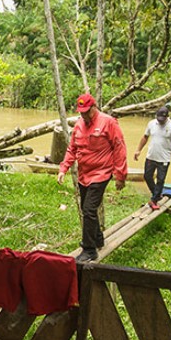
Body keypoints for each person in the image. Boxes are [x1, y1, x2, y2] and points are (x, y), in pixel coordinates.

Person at [56, 93, 128, 262]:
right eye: (81, 112)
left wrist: (120, 175)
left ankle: (89, 249)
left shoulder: (108, 122)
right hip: (84, 175)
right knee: (86, 209)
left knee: (88, 210)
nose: (84, 115)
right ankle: (97, 238)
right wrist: (63, 168)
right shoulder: (79, 125)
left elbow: (119, 147)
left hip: (101, 173)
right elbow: (72, 149)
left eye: (87, 111)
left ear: (94, 107)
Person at [133, 104, 171, 210]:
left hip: (164, 158)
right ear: (156, 116)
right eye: (159, 118)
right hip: (151, 156)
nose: (161, 121)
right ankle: (157, 194)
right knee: (147, 176)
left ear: (167, 117)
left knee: (160, 180)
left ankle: (154, 200)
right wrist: (138, 150)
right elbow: (145, 137)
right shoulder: (151, 124)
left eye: (163, 119)